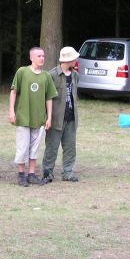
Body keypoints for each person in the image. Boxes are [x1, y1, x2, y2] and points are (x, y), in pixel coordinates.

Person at [9, 47, 57, 187]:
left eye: (43, 56)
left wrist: (49, 117)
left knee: (34, 148)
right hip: (23, 116)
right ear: (31, 58)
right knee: (22, 147)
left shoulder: (46, 76)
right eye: (39, 56)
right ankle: (21, 175)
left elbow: (49, 98)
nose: (42, 58)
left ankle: (31, 174)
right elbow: (13, 92)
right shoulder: (22, 72)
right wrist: (11, 111)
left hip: (39, 118)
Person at [42, 46, 80, 183]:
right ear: (67, 60)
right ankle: (47, 172)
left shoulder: (75, 75)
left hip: (71, 118)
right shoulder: (51, 75)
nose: (76, 60)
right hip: (56, 118)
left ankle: (67, 172)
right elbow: (46, 97)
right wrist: (47, 117)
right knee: (52, 147)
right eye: (74, 58)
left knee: (70, 147)